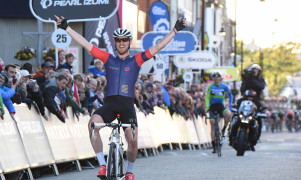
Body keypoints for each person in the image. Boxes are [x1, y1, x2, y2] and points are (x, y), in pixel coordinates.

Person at [55, 15, 186, 180]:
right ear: (115, 42)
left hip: (126, 105)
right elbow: (86, 44)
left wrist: (175, 30)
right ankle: (103, 165)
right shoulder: (107, 58)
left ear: (129, 42)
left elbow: (158, 46)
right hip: (109, 104)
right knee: (92, 125)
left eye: (125, 40)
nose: (121, 43)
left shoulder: (136, 60)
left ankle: (129, 171)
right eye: (118, 40)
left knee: (132, 140)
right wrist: (67, 28)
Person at [205, 72, 233, 153]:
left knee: (228, 114)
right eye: (214, 77)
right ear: (213, 79)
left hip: (221, 106)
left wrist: (230, 105)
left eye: (218, 77)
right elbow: (207, 97)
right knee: (212, 124)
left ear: (220, 78)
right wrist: (207, 107)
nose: (216, 79)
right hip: (213, 106)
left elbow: (230, 94)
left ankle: (224, 128)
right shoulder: (210, 86)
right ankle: (213, 145)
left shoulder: (224, 86)